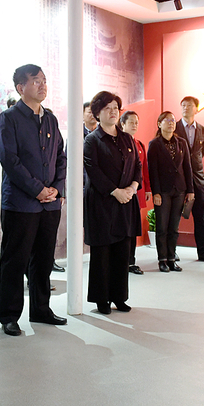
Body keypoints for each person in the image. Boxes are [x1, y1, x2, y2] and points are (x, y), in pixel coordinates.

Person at [0, 64, 67, 336]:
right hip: (21, 203)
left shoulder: (50, 119)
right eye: (36, 81)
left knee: (44, 260)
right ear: (20, 87)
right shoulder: (9, 118)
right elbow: (9, 159)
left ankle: (41, 309)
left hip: (49, 204)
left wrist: (57, 189)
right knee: (15, 261)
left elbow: (61, 156)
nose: (42, 85)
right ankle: (9, 316)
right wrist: (37, 189)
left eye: (44, 80)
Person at [83, 91, 141, 314]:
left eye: (116, 108)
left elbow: (137, 166)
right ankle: (102, 299)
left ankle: (119, 296)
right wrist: (115, 192)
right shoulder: (92, 140)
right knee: (103, 253)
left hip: (126, 201)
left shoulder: (127, 138)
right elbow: (93, 171)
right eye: (107, 108)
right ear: (97, 113)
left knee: (122, 252)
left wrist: (132, 188)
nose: (113, 112)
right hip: (102, 203)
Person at [148, 111, 194, 273]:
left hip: (180, 189)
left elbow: (187, 167)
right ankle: (162, 260)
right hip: (163, 191)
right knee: (162, 227)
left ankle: (172, 258)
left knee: (174, 227)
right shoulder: (155, 144)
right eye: (167, 120)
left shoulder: (181, 143)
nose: (171, 123)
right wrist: (156, 192)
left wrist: (190, 190)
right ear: (159, 124)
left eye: (173, 120)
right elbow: (152, 170)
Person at [175, 96, 204, 263]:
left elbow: (200, 153)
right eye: (183, 105)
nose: (186, 108)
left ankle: (203, 252)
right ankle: (171, 251)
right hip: (179, 178)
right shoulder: (174, 127)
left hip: (198, 179)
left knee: (200, 217)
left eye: (189, 105)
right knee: (174, 218)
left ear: (196, 109)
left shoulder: (202, 130)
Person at [121, 110, 151, 274]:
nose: (134, 125)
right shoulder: (119, 143)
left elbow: (144, 169)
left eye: (136, 122)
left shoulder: (139, 145)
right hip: (122, 192)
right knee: (123, 228)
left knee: (133, 228)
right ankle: (122, 261)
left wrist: (147, 189)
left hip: (137, 191)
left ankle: (131, 261)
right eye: (131, 122)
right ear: (122, 124)